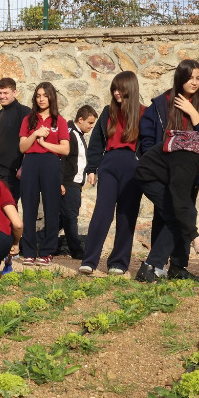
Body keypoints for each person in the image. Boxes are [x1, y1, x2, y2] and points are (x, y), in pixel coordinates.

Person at [139, 60, 199, 275]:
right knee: (166, 215)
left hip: (191, 171)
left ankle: (178, 266)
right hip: (163, 170)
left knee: (184, 213)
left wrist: (192, 112)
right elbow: (146, 134)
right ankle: (157, 265)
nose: (195, 82)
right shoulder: (161, 103)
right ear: (180, 78)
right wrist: (155, 159)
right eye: (190, 77)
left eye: (198, 78)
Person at [134, 131, 199, 283]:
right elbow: (180, 205)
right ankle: (149, 267)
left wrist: (192, 233)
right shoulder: (188, 158)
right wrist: (196, 239)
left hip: (167, 177)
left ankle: (177, 267)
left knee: (189, 214)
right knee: (177, 217)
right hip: (150, 176)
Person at [80, 71, 146, 276]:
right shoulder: (108, 112)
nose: (117, 93)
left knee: (127, 214)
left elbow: (148, 144)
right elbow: (96, 143)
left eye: (121, 89)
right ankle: (89, 261)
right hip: (108, 164)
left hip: (132, 167)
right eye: (114, 89)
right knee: (102, 212)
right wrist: (92, 168)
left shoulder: (144, 113)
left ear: (130, 88)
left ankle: (118, 262)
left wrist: (145, 167)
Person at [17, 81, 71, 265]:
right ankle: (30, 251)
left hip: (51, 162)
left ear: (51, 97)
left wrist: (44, 144)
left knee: (51, 207)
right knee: (29, 208)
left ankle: (47, 252)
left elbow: (65, 150)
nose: (41, 99)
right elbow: (23, 147)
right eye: (38, 95)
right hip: (31, 162)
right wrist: (36, 133)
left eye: (45, 95)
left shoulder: (60, 121)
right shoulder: (28, 120)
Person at [57, 104, 98, 260]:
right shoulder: (70, 134)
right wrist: (60, 182)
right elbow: (62, 159)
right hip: (69, 183)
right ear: (80, 119)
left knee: (61, 220)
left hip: (74, 183)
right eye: (89, 122)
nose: (91, 126)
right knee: (70, 216)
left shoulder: (78, 134)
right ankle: (76, 250)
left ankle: (33, 243)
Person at [0, 78, 32, 201]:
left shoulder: (24, 112)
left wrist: (23, 167)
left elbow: (29, 142)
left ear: (14, 93)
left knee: (9, 209)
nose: (2, 96)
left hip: (14, 172)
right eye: (0, 93)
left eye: (5, 93)